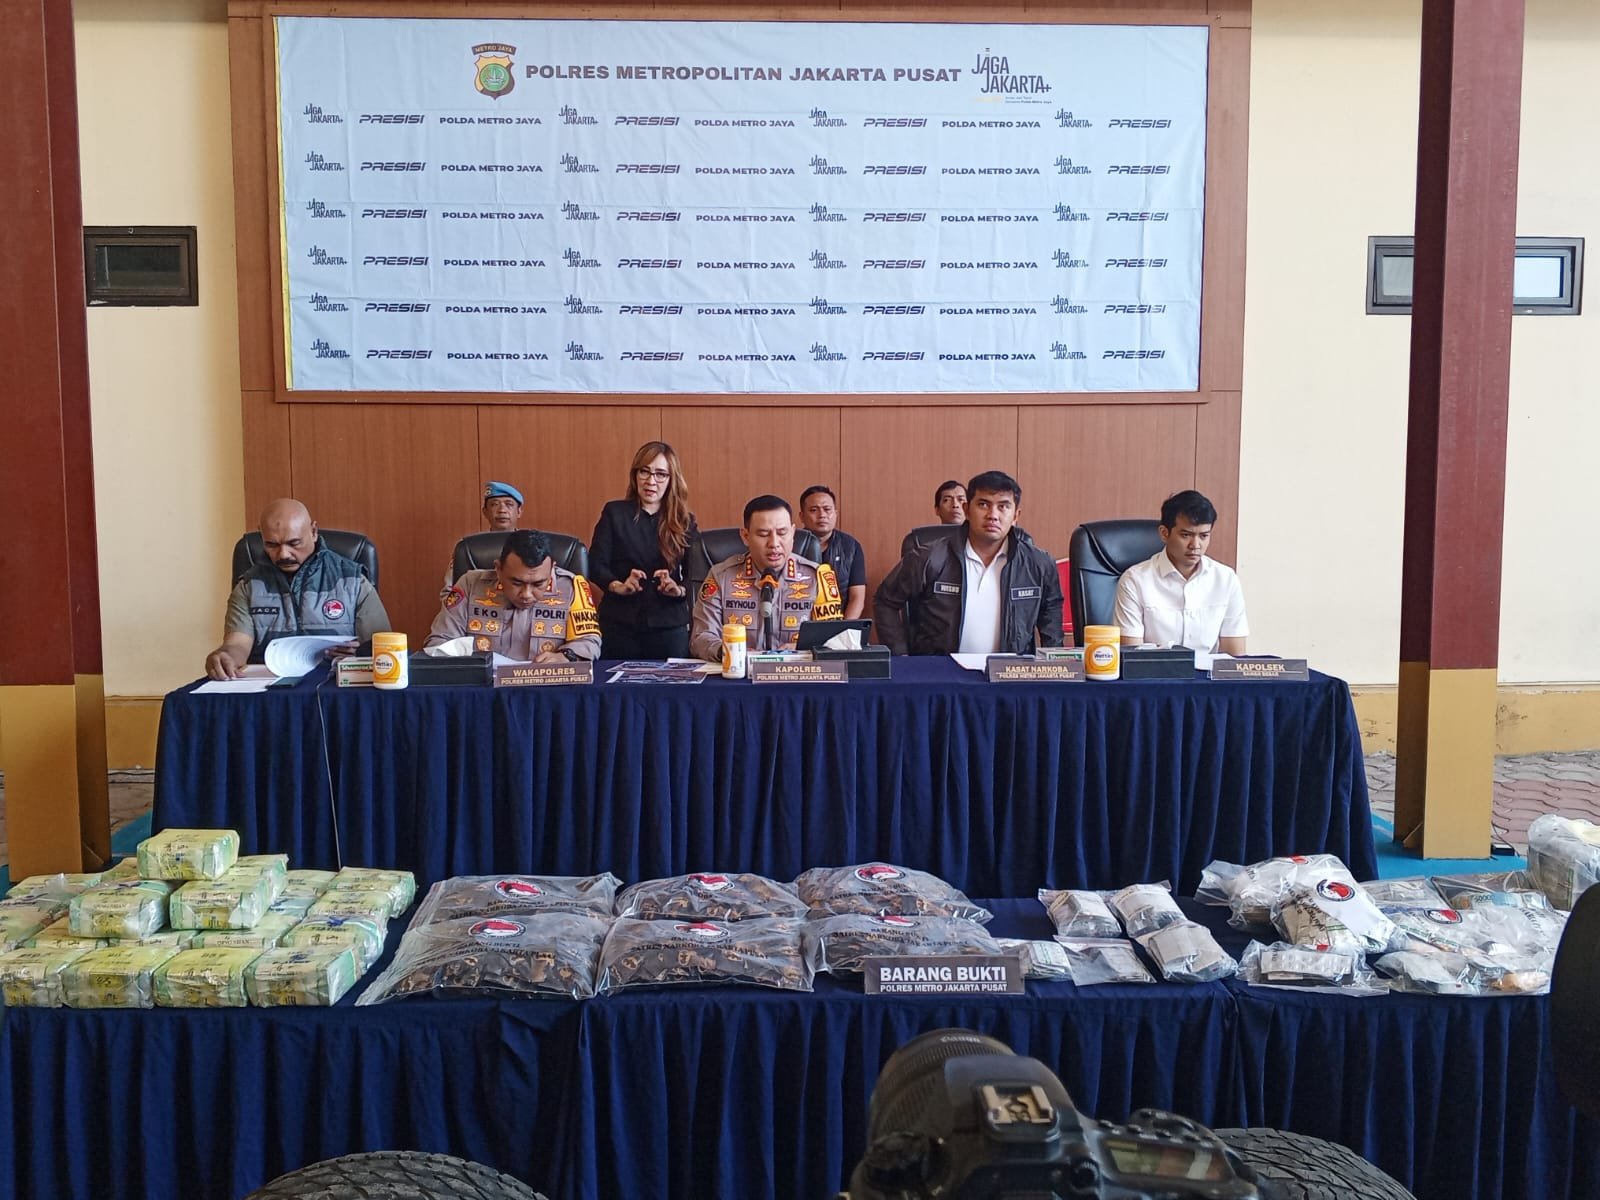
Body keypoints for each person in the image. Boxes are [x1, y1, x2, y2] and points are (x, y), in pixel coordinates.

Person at [875, 470, 1063, 655]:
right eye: (983, 504)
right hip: (940, 669)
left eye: (1003, 506)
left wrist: (1055, 665)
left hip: (1008, 671)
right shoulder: (929, 557)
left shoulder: (1039, 564)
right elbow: (885, 600)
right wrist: (900, 656)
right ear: (967, 510)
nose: (993, 515)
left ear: (1015, 516)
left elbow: (1051, 614)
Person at [205, 498, 390, 679]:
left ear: (313, 532)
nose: (283, 554)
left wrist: (361, 653)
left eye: (294, 543)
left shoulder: (353, 580)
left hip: (336, 684)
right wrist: (225, 657)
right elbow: (237, 645)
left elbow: (383, 647)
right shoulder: (249, 586)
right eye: (272, 545)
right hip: (269, 687)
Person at [689, 495, 845, 660]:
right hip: (739, 671)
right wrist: (729, 651)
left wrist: (803, 648)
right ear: (745, 536)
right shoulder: (721, 577)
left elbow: (834, 638)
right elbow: (700, 637)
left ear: (792, 533)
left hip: (797, 671)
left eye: (782, 533)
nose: (774, 543)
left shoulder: (818, 577)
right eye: (764, 534)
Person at [589, 442, 697, 659]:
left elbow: (696, 574)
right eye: (644, 472)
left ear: (671, 479)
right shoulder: (614, 513)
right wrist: (617, 585)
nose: (651, 481)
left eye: (660, 474)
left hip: (668, 625)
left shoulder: (685, 521)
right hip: (619, 623)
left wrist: (678, 590)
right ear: (635, 475)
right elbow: (595, 564)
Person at [426, 529, 600, 662]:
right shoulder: (470, 584)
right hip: (484, 689)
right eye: (516, 583)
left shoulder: (572, 587)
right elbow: (439, 641)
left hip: (545, 688)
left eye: (538, 584)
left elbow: (589, 641)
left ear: (551, 569)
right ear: (498, 569)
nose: (526, 594)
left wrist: (566, 656)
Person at [1114, 490, 1248, 654]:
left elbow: (1235, 659)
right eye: (1186, 535)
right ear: (1164, 533)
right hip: (1155, 670)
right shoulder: (1135, 580)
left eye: (1204, 536)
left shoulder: (1226, 579)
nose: (1195, 545)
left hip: (1208, 671)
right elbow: (1132, 657)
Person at [441, 481, 526, 599]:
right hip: (480, 607)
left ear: (519, 511)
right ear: (485, 512)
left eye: (509, 504)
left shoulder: (533, 544)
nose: (502, 510)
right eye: (494, 504)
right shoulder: (470, 547)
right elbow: (449, 592)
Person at [798, 485, 867, 620]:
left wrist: (844, 629)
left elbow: (857, 598)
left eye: (827, 509)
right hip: (797, 624)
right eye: (814, 510)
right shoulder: (791, 545)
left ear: (835, 513)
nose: (822, 515)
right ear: (802, 516)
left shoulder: (851, 547)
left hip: (839, 622)